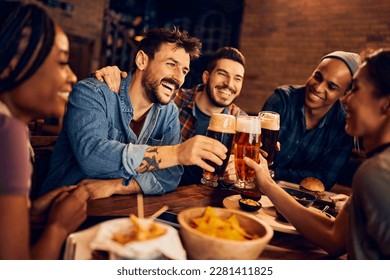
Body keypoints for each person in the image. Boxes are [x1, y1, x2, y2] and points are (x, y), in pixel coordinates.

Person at [40, 28, 229, 198]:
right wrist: (177, 153)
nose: (179, 77)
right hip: (59, 208)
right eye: (171, 64)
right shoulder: (92, 92)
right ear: (142, 60)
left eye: (185, 70)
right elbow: (92, 156)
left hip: (119, 211)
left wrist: (115, 186)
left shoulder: (168, 111)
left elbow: (170, 176)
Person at [245, 48, 390, 259]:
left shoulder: (377, 172)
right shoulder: (376, 166)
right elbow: (334, 237)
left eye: (355, 90)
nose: (345, 100)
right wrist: (266, 183)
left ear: (386, 105)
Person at [0, 2, 89, 259]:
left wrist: (29, 209)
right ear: (10, 63)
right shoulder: (8, 133)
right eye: (62, 63)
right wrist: (58, 227)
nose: (72, 76)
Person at [94, 47, 246, 185]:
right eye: (222, 74)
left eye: (237, 79)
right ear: (206, 77)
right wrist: (113, 77)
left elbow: (248, 176)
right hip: (159, 194)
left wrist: (232, 177)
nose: (229, 84)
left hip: (205, 200)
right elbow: (142, 85)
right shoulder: (171, 99)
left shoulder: (243, 123)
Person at [262, 51, 360, 190]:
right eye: (317, 76)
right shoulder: (282, 100)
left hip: (304, 201)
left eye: (331, 86)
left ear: (345, 94)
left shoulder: (343, 126)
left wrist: (274, 173)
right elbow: (257, 154)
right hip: (259, 188)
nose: (318, 87)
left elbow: (325, 178)